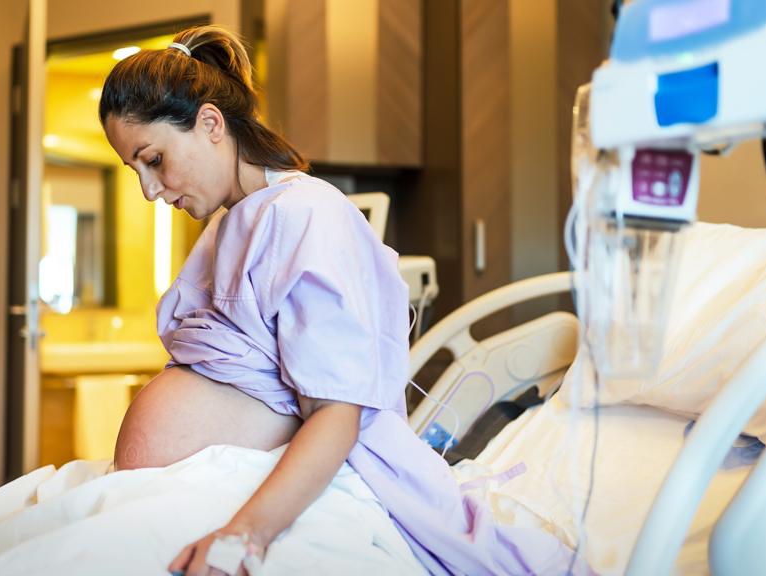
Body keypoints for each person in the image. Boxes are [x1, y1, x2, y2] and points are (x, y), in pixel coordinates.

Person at [99, 25, 586, 576]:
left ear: (210, 123)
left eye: (154, 159)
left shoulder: (304, 215)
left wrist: (246, 534)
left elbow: (335, 413)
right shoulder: (229, 225)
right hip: (195, 480)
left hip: (262, 493)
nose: (147, 189)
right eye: (134, 169)